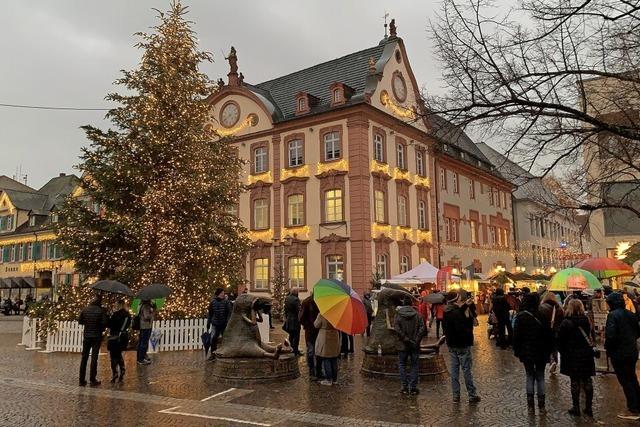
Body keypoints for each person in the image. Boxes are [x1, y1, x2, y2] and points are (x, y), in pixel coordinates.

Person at [513, 293, 553, 411]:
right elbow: (548, 335)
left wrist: (517, 351)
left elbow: (516, 337)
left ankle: (530, 406)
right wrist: (550, 350)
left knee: (529, 376)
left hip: (527, 351)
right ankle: (542, 406)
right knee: (540, 376)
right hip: (541, 351)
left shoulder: (520, 317)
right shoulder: (542, 315)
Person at [557, 299, 595, 417]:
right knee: (587, 379)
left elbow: (560, 340)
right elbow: (590, 334)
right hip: (586, 353)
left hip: (572, 354)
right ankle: (588, 407)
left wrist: (563, 352)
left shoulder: (566, 322)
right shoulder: (586, 320)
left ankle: (576, 407)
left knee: (575, 381)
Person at [605, 292, 640, 420]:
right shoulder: (631, 314)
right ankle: (637, 405)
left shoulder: (612, 315)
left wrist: (609, 347)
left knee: (626, 381)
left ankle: (633, 409)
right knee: (632, 378)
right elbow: (637, 332)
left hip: (619, 353)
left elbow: (610, 335)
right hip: (631, 351)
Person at [442, 290, 480, 404]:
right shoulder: (457, 313)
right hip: (462, 344)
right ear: (456, 300)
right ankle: (472, 394)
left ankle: (456, 395)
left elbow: (457, 313)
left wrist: (466, 306)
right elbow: (463, 324)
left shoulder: (447, 311)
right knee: (466, 370)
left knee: (454, 371)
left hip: (451, 344)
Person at [394, 298, 426, 395]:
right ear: (411, 304)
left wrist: (405, 339)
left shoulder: (398, 315)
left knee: (402, 365)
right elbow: (422, 328)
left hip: (402, 345)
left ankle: (404, 386)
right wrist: (415, 340)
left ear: (403, 304)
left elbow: (397, 328)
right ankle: (413, 387)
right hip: (414, 345)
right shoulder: (417, 315)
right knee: (414, 365)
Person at [78, 295, 108, 386]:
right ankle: (92, 379)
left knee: (84, 357)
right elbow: (104, 323)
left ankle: (81, 380)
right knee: (94, 358)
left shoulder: (85, 309)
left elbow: (80, 321)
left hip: (87, 336)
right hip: (96, 336)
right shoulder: (101, 311)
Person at [539, 292, 564, 374]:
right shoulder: (559, 308)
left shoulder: (542, 307)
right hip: (556, 331)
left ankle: (549, 360)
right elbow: (562, 321)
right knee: (554, 347)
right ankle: (554, 361)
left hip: (545, 330)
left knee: (546, 346)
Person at [300, 291, 322, 379]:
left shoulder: (321, 302)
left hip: (319, 331)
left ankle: (319, 371)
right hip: (310, 331)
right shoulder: (306, 302)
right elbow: (301, 317)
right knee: (311, 351)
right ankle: (312, 371)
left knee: (319, 352)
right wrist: (307, 325)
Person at [107, 299, 131, 383]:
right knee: (119, 354)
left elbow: (110, 324)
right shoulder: (128, 315)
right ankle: (122, 369)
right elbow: (128, 325)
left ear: (119, 305)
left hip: (115, 337)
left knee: (113, 355)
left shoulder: (115, 315)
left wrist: (110, 315)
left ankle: (115, 372)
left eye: (116, 304)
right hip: (123, 336)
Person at [314, 313, 340, 386]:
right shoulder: (338, 314)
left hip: (325, 336)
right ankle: (335, 379)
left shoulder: (323, 313)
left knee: (326, 358)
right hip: (335, 335)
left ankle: (328, 379)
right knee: (334, 358)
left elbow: (316, 325)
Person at [206, 287, 232, 360]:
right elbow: (210, 313)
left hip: (224, 324)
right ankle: (213, 354)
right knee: (213, 339)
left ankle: (226, 353)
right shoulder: (213, 302)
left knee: (225, 339)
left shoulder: (226, 302)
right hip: (215, 323)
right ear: (218, 294)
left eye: (223, 293)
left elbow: (229, 313)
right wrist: (208, 322)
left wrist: (227, 321)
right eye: (222, 293)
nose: (223, 294)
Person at [284, 288, 302, 356]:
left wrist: (286, 317)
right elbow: (298, 311)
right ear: (296, 292)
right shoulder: (296, 300)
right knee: (296, 337)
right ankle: (295, 351)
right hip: (295, 321)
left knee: (291, 335)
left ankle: (291, 348)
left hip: (289, 319)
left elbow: (285, 309)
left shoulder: (287, 298)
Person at [137, 299, 155, 365]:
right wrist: (152, 313)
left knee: (141, 342)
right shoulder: (146, 306)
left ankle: (141, 356)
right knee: (144, 343)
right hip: (146, 326)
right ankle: (141, 359)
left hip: (142, 326)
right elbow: (146, 316)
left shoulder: (140, 305)